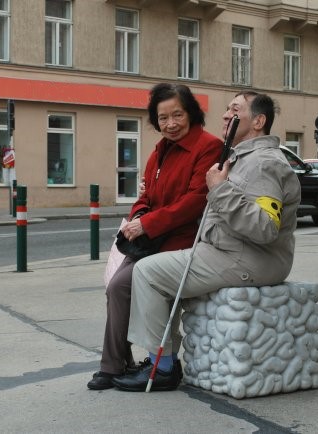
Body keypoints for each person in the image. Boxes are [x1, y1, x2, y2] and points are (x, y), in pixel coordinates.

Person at [112, 90, 302, 392]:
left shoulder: (266, 164)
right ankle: (160, 360)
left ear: (258, 121)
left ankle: (162, 368)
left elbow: (265, 228)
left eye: (235, 110)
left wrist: (219, 189)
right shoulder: (242, 157)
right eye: (227, 109)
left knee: (147, 273)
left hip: (249, 258)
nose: (226, 115)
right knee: (153, 269)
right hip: (229, 251)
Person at [87, 83, 223, 390]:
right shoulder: (159, 151)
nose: (171, 124)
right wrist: (137, 216)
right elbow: (146, 195)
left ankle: (117, 366)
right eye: (163, 118)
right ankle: (116, 363)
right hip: (150, 240)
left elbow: (195, 200)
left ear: (191, 113)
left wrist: (147, 223)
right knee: (115, 287)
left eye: (177, 114)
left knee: (122, 284)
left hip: (181, 241)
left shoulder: (207, 146)